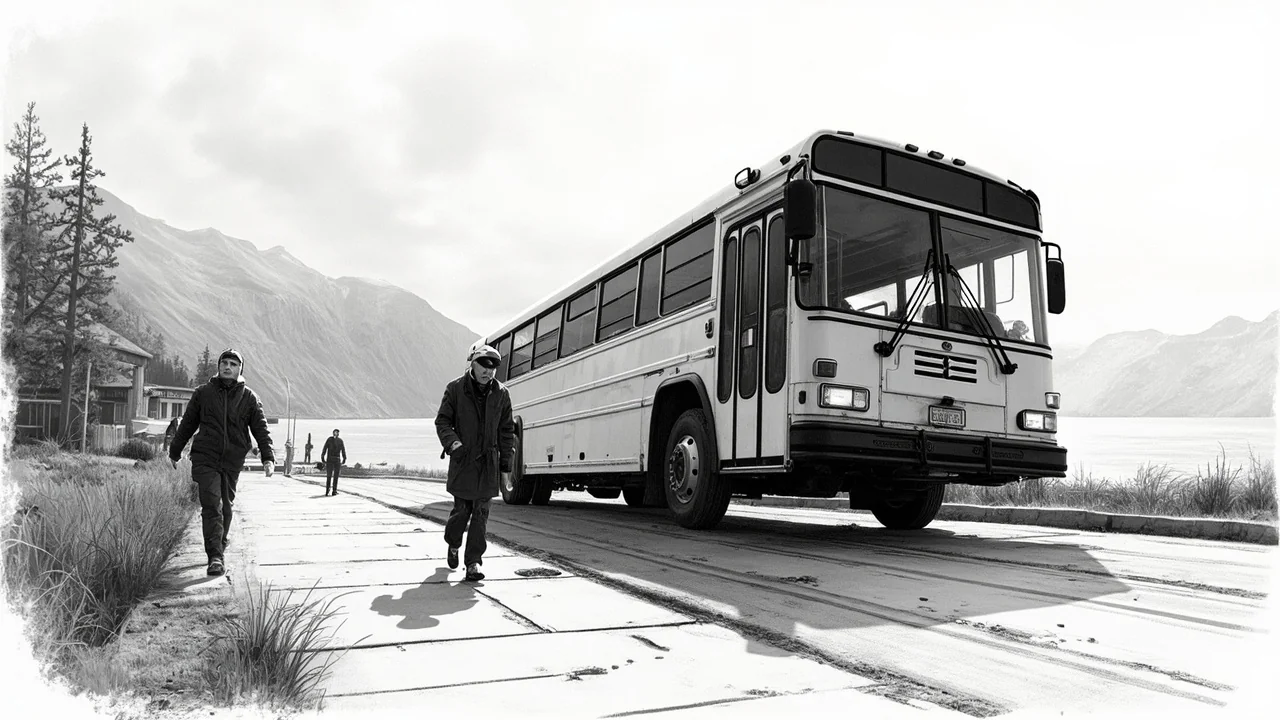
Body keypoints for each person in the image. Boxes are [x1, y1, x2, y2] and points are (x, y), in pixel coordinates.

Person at [168, 348, 274, 577]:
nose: (227, 366)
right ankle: (215, 556)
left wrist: (268, 457)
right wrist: (175, 450)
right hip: (205, 457)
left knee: (226, 508)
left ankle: (219, 545)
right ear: (219, 367)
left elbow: (260, 429)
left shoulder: (249, 398)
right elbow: (187, 423)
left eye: (233, 364)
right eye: (224, 363)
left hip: (233, 460)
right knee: (212, 504)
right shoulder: (203, 393)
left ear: (240, 370)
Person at [435, 344, 515, 582]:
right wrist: (453, 444)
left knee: (481, 514)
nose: (489, 372)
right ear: (473, 364)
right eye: (484, 367)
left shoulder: (502, 394)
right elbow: (443, 422)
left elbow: (506, 431)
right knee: (461, 512)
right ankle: (453, 542)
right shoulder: (455, 389)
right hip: (463, 461)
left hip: (488, 464)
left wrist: (506, 467)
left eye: (493, 369)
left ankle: (473, 563)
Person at [321, 428, 346, 496]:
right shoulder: (338, 440)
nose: (335, 434)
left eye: (336, 432)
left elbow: (325, 448)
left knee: (331, 476)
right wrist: (344, 458)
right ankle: (332, 491)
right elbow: (343, 450)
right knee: (333, 476)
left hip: (332, 460)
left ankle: (330, 490)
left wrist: (322, 457)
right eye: (335, 432)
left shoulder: (331, 440)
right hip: (335, 460)